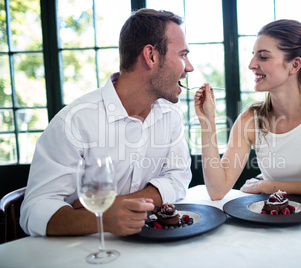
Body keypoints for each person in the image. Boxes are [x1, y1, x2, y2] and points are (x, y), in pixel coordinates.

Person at [20, 9, 194, 237]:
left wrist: (116, 205)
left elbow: (178, 178)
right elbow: (34, 210)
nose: (189, 67)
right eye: (183, 55)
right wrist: (99, 221)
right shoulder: (75, 121)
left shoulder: (170, 114)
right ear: (151, 55)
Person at [194, 19, 301, 205]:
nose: (251, 64)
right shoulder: (250, 120)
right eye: (253, 56)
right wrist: (207, 121)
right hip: (275, 217)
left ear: (294, 65)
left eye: (263, 57)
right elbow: (216, 190)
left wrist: (269, 186)